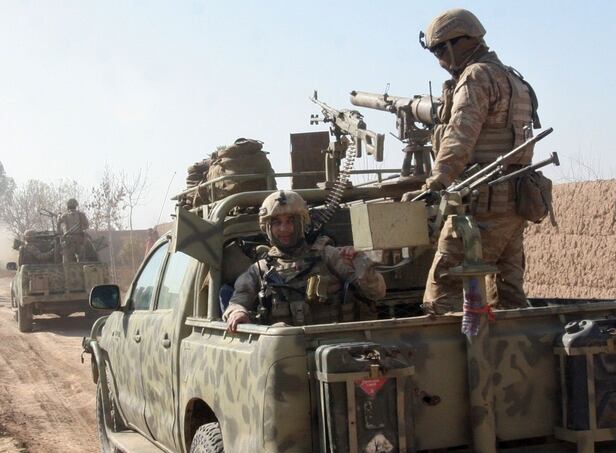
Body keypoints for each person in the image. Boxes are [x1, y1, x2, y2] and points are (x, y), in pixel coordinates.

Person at [415, 8, 542, 315]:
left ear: (456, 44)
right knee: (510, 298)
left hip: (481, 208)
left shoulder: (476, 77)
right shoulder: (515, 80)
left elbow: (460, 137)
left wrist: (436, 184)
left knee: (443, 293)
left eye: (437, 51)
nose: (440, 61)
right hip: (515, 204)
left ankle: (452, 362)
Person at [223, 191, 385, 332]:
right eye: (277, 222)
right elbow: (238, 301)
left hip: (337, 346)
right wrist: (238, 312)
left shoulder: (329, 255)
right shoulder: (259, 270)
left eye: (290, 221)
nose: (284, 229)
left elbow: (376, 292)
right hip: (287, 356)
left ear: (302, 222)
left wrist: (360, 264)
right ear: (267, 227)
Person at [57, 198, 90, 263]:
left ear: (68, 206)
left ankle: (68, 273)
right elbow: (86, 226)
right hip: (80, 240)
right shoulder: (82, 215)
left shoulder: (64, 215)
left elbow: (58, 223)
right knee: (82, 262)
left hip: (68, 241)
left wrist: (59, 215)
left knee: (67, 263)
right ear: (76, 205)